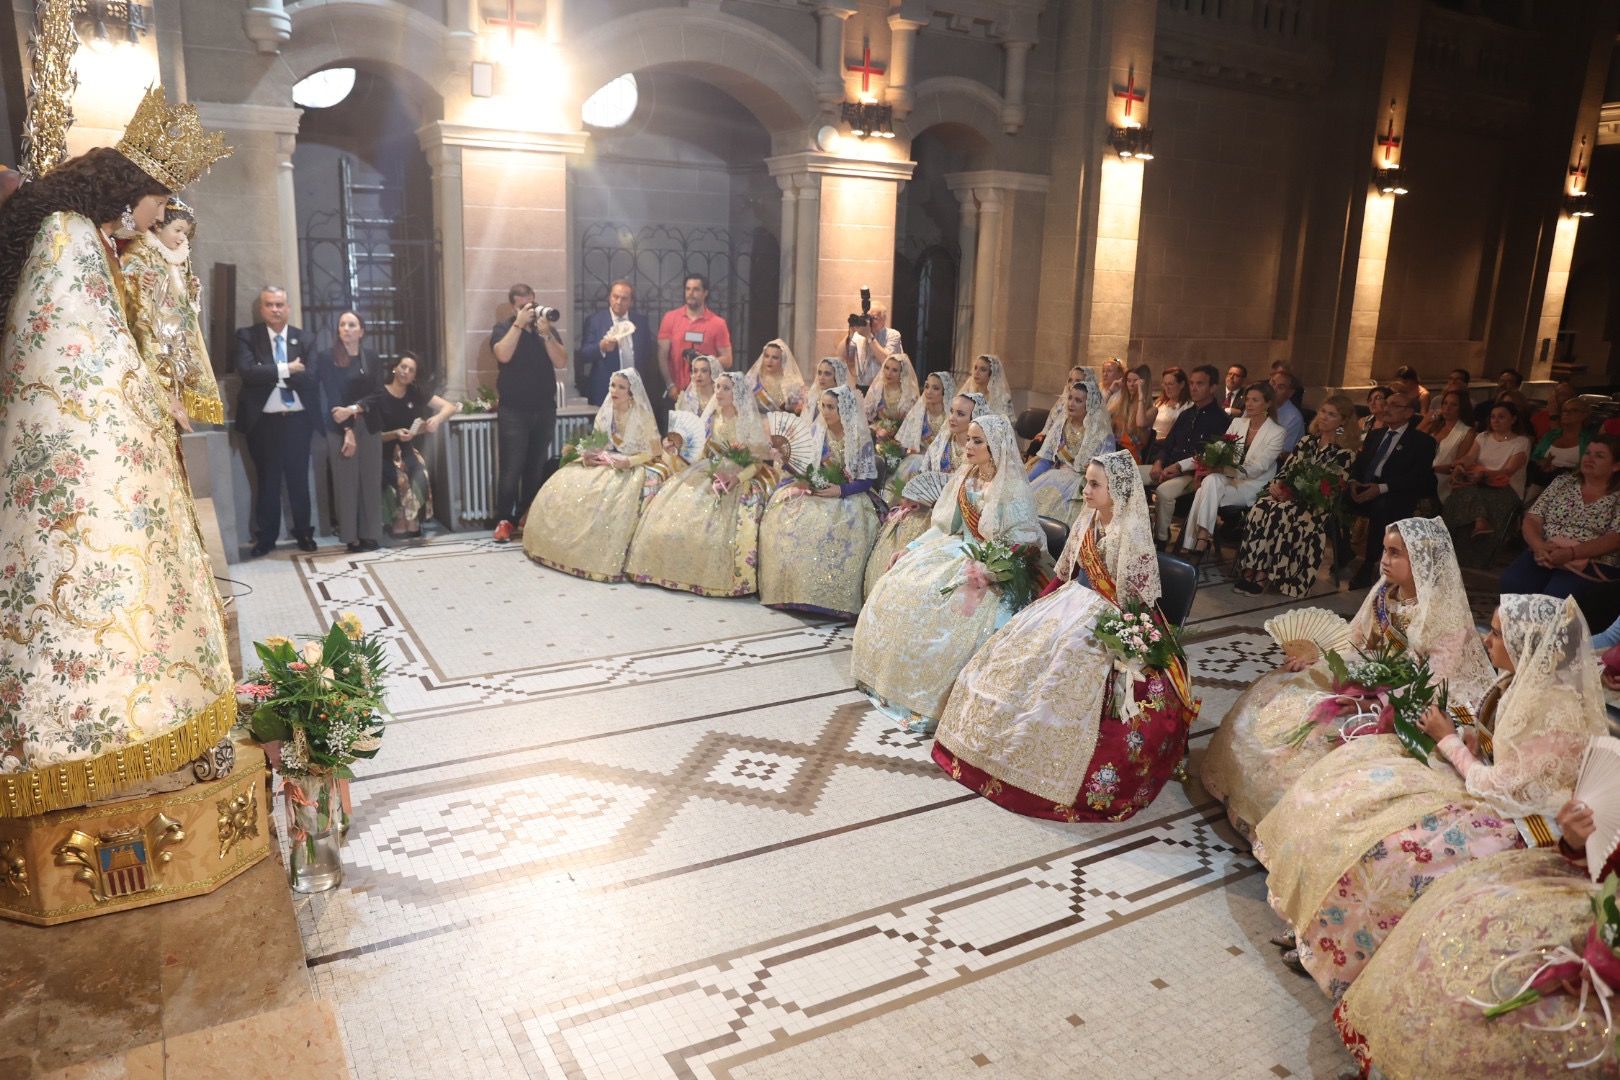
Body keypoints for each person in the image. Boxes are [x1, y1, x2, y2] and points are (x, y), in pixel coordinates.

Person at [0, 98, 236, 810]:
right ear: (126, 188)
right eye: (157, 198)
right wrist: (149, 410)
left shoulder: (81, 233)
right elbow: (83, 358)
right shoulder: (69, 236)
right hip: (83, 458)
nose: (157, 213)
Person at [1254, 593, 1606, 999]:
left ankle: (1342, 952)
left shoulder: (1553, 707)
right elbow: (1499, 749)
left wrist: (1450, 742)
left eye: (1496, 634)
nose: (1486, 641)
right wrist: (1471, 741)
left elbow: (1505, 788)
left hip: (1523, 825)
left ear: (1527, 644)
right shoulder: (1516, 679)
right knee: (1358, 795)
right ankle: (1315, 928)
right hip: (1485, 789)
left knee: (1398, 856)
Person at [933, 449, 1198, 821]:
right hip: (1071, 601)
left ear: (1117, 490)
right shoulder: (1086, 520)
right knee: (1017, 652)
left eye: (1094, 484)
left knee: (1067, 667)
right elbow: (1064, 575)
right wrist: (1034, 611)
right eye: (1086, 482)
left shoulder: (1131, 535)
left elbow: (1135, 603)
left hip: (1110, 615)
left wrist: (1122, 645)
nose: (1086, 490)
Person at [1204, 518, 1496, 840]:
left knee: (1325, 738)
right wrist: (1320, 658)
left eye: (1396, 553)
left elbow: (1432, 684)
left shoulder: (1444, 617)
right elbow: (1355, 641)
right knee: (1282, 696)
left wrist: (1373, 699)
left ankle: (1287, 827)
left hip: (1418, 703)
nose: (1384, 560)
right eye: (1385, 550)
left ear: (1423, 562)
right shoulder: (1385, 591)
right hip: (1371, 678)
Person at [1337, 794, 1620, 1079]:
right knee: (1457, 927)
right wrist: (1578, 842)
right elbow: (1608, 858)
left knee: (1521, 1018)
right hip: (1597, 903)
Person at [854, 414, 1045, 735]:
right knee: (904, 580)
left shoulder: (1010, 486)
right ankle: (887, 678)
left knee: (947, 602)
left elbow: (1022, 540)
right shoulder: (966, 476)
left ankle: (933, 697)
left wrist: (990, 564)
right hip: (956, 548)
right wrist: (912, 548)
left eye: (977, 441)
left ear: (995, 447)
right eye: (968, 439)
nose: (968, 446)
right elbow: (944, 527)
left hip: (994, 560)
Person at [624, 372, 773, 596]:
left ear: (737, 394)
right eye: (718, 387)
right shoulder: (713, 419)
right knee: (678, 506)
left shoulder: (747, 421)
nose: (719, 393)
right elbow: (701, 454)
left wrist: (737, 478)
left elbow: (757, 463)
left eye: (725, 389)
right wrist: (677, 454)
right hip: (708, 469)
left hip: (737, 475)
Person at [521, 369, 663, 581]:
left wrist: (628, 461)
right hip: (605, 461)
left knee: (608, 491)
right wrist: (589, 455)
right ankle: (560, 548)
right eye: (612, 385)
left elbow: (654, 450)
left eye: (621, 387)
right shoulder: (606, 412)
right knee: (568, 481)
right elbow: (598, 442)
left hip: (630, 465)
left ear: (631, 392)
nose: (615, 391)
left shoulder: (641, 414)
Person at [758, 385, 880, 620]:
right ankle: (790, 591)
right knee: (784, 515)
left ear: (843, 409)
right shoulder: (818, 432)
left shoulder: (857, 436)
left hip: (848, 496)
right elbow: (804, 467)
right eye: (822, 406)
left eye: (831, 407)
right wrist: (785, 461)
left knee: (832, 527)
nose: (825, 412)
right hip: (817, 491)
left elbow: (868, 479)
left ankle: (829, 597)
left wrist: (841, 490)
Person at [1231, 394, 1361, 596]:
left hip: (1315, 504)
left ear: (1343, 421)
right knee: (1261, 507)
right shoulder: (1307, 441)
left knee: (1279, 513)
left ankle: (1263, 574)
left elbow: (1328, 487)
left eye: (1332, 415)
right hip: (1287, 495)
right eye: (1323, 412)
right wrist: (1276, 484)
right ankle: (1250, 569)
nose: (1324, 417)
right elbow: (1286, 471)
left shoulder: (1345, 453)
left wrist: (1293, 496)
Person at [865, 390, 986, 597]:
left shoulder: (980, 452)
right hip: (928, 510)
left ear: (974, 419)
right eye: (952, 411)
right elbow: (924, 475)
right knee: (900, 530)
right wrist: (915, 498)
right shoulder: (942, 442)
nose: (953, 418)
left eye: (961, 414)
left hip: (958, 520)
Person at [120, 197, 224, 430]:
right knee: (162, 380)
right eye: (177, 230)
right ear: (158, 226)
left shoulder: (181, 258)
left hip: (180, 333)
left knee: (182, 380)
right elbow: (126, 269)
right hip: (155, 330)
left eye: (185, 233)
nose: (181, 238)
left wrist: (192, 290)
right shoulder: (142, 249)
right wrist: (138, 278)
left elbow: (183, 294)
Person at [1499, 434, 1620, 631]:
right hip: (1547, 551)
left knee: (1557, 595)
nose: (1589, 459)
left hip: (1593, 561)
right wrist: (1538, 546)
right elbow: (1533, 518)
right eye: (1587, 453)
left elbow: (1615, 538)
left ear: (1616, 465)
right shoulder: (1563, 482)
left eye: (1599, 456)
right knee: (1514, 582)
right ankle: (1513, 643)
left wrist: (1571, 553)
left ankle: (1549, 652)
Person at [331, 352, 456, 539]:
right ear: (394, 368)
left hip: (406, 450)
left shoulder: (415, 392)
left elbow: (450, 407)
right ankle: (398, 520)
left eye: (411, 370)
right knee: (399, 479)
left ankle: (412, 519)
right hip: (382, 452)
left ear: (414, 375)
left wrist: (435, 420)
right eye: (403, 367)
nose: (406, 372)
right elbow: (374, 435)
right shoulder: (380, 393)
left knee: (420, 473)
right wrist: (395, 433)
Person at [235, 285, 317, 556]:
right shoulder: (248, 336)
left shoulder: (304, 339)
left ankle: (304, 533)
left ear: (288, 307)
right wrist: (288, 368)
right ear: (262, 308)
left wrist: (269, 371)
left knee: (298, 481)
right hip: (264, 423)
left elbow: (311, 378)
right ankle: (266, 538)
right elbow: (247, 373)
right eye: (269, 304)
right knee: (267, 482)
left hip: (297, 422)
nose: (275, 309)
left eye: (280, 304)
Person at [490, 283, 569, 544]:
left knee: (534, 468)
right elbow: (502, 354)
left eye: (531, 305)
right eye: (523, 306)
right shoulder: (504, 328)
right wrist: (518, 324)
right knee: (512, 468)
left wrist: (546, 334)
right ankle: (504, 520)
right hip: (514, 410)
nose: (529, 309)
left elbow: (561, 361)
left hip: (544, 408)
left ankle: (527, 517)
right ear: (514, 306)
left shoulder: (546, 328)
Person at [1180, 383, 1286, 556]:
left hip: (1253, 485)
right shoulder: (1238, 423)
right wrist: (1180, 465)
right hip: (1229, 480)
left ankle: (1195, 541)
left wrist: (1222, 470)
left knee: (1204, 489)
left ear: (1267, 404)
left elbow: (1258, 468)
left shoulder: (1277, 432)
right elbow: (1216, 450)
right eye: (1247, 399)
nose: (1249, 404)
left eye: (1255, 400)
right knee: (1210, 480)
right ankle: (1203, 536)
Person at [1345, 392, 1436, 588]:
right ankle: (1344, 551)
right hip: (1366, 485)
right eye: (1387, 403)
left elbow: (1416, 478)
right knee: (1333, 498)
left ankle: (1369, 564)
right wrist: (1353, 481)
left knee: (1382, 507)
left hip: (1394, 492)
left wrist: (1381, 488)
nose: (1387, 408)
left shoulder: (1422, 442)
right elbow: (1360, 464)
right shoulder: (1375, 434)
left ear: (1409, 413)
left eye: (1395, 405)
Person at [312, 310, 383, 552]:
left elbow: (378, 392)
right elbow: (332, 394)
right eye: (342, 325)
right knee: (346, 482)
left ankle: (370, 534)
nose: (346, 329)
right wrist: (347, 429)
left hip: (369, 423)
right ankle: (351, 536)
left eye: (352, 325)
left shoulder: (371, 357)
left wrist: (355, 408)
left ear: (361, 331)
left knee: (370, 480)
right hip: (339, 426)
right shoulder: (327, 358)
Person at [1146, 364, 1230, 546]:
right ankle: (1134, 532)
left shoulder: (1220, 420)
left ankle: (1160, 539)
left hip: (1192, 475)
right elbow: (1167, 444)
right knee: (1127, 473)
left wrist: (1180, 469)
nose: (1193, 388)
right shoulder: (1186, 414)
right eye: (1191, 383)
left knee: (1163, 492)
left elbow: (1210, 456)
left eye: (1200, 384)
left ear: (1213, 387)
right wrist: (1158, 462)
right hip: (1166, 465)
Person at [1026, 372, 1114, 523]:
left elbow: (1107, 470)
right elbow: (1046, 460)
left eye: (1078, 400)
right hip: (1054, 476)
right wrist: (1025, 483)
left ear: (1089, 405)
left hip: (1082, 485)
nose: (1071, 404)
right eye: (1070, 398)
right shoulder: (1062, 425)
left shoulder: (1101, 434)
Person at [1441, 400, 1530, 549]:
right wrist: (1460, 466)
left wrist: (1483, 474)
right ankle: (1457, 539)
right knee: (1457, 495)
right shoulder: (1483, 437)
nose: (1495, 420)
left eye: (1501, 417)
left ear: (1513, 419)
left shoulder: (1521, 442)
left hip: (1505, 488)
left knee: (1468, 493)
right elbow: (1470, 458)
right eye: (1493, 416)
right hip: (1479, 484)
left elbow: (1509, 470)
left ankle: (1480, 529)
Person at [579, 278, 661, 425]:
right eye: (615, 297)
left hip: (633, 391)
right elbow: (584, 354)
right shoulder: (595, 321)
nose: (619, 301)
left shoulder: (640, 322)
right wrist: (602, 347)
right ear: (609, 297)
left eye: (624, 298)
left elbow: (647, 354)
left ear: (631, 302)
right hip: (606, 390)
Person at [656, 273, 733, 398]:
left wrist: (704, 362)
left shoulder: (718, 323)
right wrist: (670, 385)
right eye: (688, 289)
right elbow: (662, 356)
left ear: (705, 293)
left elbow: (728, 360)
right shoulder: (670, 318)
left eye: (696, 289)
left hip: (707, 395)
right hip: (677, 392)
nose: (691, 293)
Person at [891, 371, 956, 486]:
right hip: (919, 459)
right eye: (927, 386)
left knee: (916, 462)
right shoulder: (919, 412)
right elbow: (907, 443)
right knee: (914, 462)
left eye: (935, 388)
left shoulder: (951, 417)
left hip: (943, 464)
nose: (929, 391)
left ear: (944, 393)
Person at [1420, 388, 1476, 504]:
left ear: (1462, 408)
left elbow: (1457, 464)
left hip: (1442, 478)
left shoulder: (1466, 432)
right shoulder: (1435, 425)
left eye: (1453, 405)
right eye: (1445, 403)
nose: (1447, 408)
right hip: (1421, 473)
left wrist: (1431, 469)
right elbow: (1412, 442)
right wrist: (1426, 421)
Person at [1526, 394, 1592, 494]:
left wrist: (1560, 471)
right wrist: (1543, 462)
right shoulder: (1551, 435)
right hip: (1542, 482)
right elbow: (1535, 457)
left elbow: (1589, 468)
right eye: (1564, 410)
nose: (1566, 413)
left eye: (1573, 410)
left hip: (1572, 487)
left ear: (1584, 415)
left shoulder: (1589, 440)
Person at [864, 351, 920, 445]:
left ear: (902, 373)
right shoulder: (877, 389)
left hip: (902, 436)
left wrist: (894, 430)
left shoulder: (909, 394)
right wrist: (879, 429)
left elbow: (913, 423)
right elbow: (865, 414)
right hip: (879, 432)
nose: (888, 373)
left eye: (894, 370)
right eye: (886, 368)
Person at [843, 302, 902, 388]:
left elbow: (888, 360)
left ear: (883, 320)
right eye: (867, 318)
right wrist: (850, 333)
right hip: (861, 387)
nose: (869, 322)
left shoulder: (893, 335)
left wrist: (869, 336)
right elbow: (842, 356)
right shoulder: (858, 336)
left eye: (873, 318)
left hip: (884, 389)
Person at [747, 338, 806, 415]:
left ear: (783, 360)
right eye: (766, 356)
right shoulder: (753, 381)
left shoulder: (793, 383)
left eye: (775, 357)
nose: (769, 360)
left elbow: (799, 412)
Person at [1109, 363, 1152, 454]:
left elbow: (1140, 423)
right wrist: (1110, 391)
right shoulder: (1120, 404)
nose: (1131, 385)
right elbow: (1099, 415)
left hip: (1132, 454)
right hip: (1114, 449)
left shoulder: (1152, 410)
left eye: (1135, 381)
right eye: (1128, 381)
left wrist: (1141, 394)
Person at [1147, 366, 1190, 451]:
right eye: (1165, 384)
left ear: (1181, 384)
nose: (1167, 388)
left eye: (1170, 384)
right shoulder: (1159, 403)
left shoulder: (1187, 406)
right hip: (1151, 445)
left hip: (1167, 448)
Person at [963, 353, 1015, 420]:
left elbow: (1005, 424)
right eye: (975, 368)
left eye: (983, 369)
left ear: (992, 374)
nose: (976, 372)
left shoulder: (1003, 398)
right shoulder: (966, 395)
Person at [1269, 368, 1306, 452]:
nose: (1273, 389)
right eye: (1273, 383)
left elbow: (1282, 452)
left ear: (1290, 393)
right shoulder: (1256, 404)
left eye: (1280, 387)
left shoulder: (1294, 418)